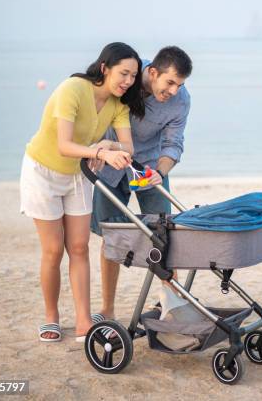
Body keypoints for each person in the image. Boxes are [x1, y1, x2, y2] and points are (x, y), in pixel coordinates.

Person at [20, 42, 144, 342]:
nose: (128, 81)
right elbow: (64, 145)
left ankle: (84, 322)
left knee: (78, 248)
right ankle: (51, 318)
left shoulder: (119, 104)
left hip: (78, 175)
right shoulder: (73, 89)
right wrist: (98, 154)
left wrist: (106, 145)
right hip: (42, 172)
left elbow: (128, 147)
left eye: (133, 76)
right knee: (52, 250)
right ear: (105, 68)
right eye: (123, 73)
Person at [90, 46, 192, 320]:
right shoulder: (129, 76)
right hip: (110, 166)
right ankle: (107, 310)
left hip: (149, 170)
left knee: (163, 234)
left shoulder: (181, 100)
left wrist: (161, 170)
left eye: (179, 85)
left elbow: (173, 143)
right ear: (153, 71)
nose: (173, 90)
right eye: (170, 82)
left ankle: (171, 301)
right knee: (109, 236)